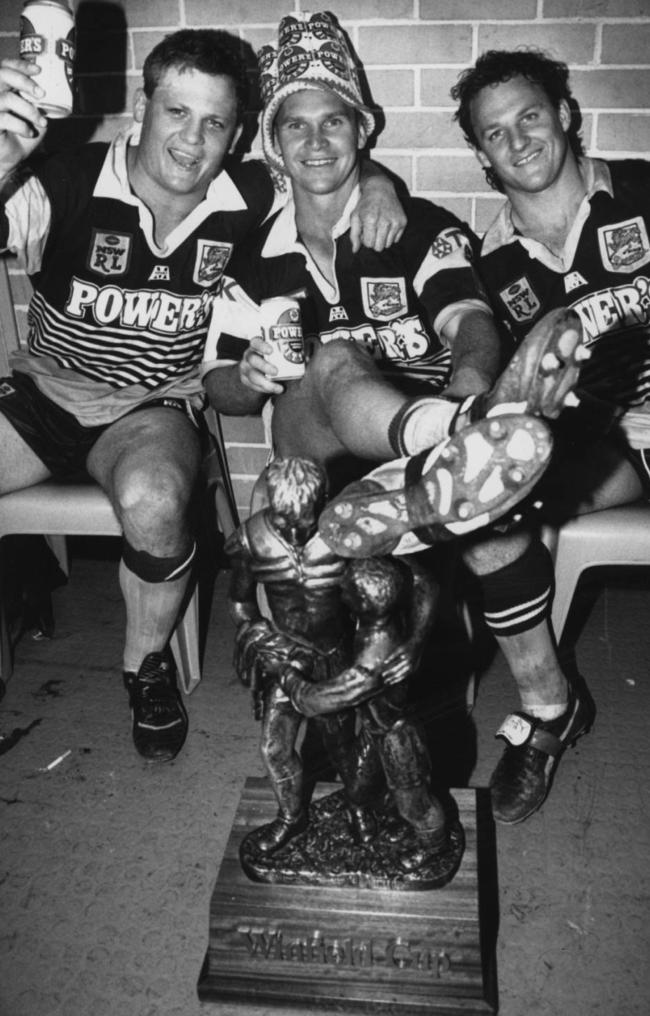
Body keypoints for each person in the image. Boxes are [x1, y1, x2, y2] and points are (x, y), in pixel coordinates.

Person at [0, 28, 404, 763]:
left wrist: (377, 181)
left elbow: (330, 170)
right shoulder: (64, 179)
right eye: (176, 112)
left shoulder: (250, 192)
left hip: (148, 411)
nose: (193, 139)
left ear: (239, 133)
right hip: (41, 397)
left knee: (156, 502)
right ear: (140, 107)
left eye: (215, 122)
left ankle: (146, 664)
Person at [205, 11, 585, 545]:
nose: (315, 141)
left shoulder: (418, 226)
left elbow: (472, 324)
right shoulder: (251, 258)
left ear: (360, 130)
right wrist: (245, 378)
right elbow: (218, 387)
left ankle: (445, 454)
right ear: (276, 143)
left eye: (333, 121)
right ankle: (450, 441)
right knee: (334, 359)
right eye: (297, 125)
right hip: (317, 455)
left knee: (494, 551)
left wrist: (468, 389)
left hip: (432, 459)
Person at [429, 47, 650, 825]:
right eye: (494, 133)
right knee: (483, 506)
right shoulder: (488, 265)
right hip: (606, 446)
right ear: (481, 154)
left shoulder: (642, 189)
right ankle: (549, 708)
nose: (517, 140)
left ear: (563, 114)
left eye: (529, 116)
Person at [227, 455, 452, 874]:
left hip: (340, 655)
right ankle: (292, 819)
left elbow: (422, 582)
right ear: (268, 502)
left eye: (306, 520)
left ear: (323, 502)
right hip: (284, 652)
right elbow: (240, 603)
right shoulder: (248, 540)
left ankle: (360, 806)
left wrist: (417, 642)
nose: (295, 532)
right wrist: (258, 635)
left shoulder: (348, 530)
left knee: (346, 747)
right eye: (283, 519)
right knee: (274, 748)